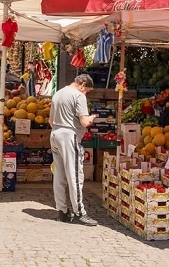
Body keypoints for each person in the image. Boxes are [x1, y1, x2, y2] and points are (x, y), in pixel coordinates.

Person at [49, 74, 98, 226]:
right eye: (87, 90)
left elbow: (50, 120)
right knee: (75, 175)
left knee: (59, 175)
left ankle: (62, 211)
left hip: (55, 133)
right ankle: (79, 213)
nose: (86, 93)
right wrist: (92, 117)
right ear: (83, 84)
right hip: (69, 136)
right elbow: (84, 122)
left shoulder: (58, 94)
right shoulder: (78, 96)